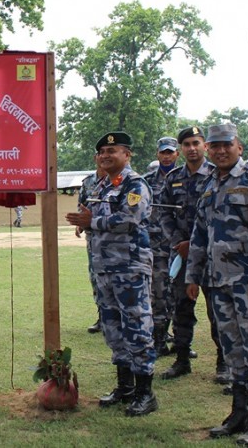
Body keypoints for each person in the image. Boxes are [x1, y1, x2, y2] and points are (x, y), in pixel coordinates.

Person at [186, 124, 248, 445]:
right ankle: (239, 412)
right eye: (215, 146)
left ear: (239, 147)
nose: (220, 150)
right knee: (231, 348)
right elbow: (199, 234)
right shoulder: (210, 185)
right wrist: (192, 277)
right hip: (217, 283)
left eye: (226, 145)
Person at [66, 131, 158, 417]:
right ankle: (125, 387)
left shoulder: (135, 184)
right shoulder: (100, 186)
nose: (106, 156)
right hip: (103, 268)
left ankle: (146, 393)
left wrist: (93, 220)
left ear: (127, 154)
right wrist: (84, 223)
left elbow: (131, 218)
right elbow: (91, 217)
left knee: (137, 327)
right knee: (113, 328)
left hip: (129, 268)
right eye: (102, 152)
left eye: (113, 151)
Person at [159, 127, 230, 385]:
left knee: (217, 310)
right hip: (182, 254)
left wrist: (198, 243)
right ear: (181, 148)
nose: (192, 148)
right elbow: (164, 213)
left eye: (196, 143)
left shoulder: (217, 175)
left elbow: (223, 217)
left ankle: (224, 363)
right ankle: (181, 359)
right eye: (187, 144)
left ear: (205, 146)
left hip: (212, 254)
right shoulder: (173, 178)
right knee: (181, 308)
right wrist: (178, 242)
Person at [143, 137, 179, 358]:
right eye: (163, 152)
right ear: (158, 154)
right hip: (154, 245)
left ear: (177, 154)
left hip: (179, 245)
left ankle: (181, 341)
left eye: (170, 152)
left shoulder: (184, 177)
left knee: (179, 294)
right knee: (157, 293)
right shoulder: (146, 181)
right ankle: (159, 340)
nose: (166, 156)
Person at [77, 156, 107, 333]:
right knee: (96, 278)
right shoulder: (88, 182)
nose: (104, 157)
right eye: (100, 153)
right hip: (93, 239)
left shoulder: (118, 181)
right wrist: (80, 223)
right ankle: (103, 317)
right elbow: (81, 205)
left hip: (114, 240)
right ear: (95, 158)